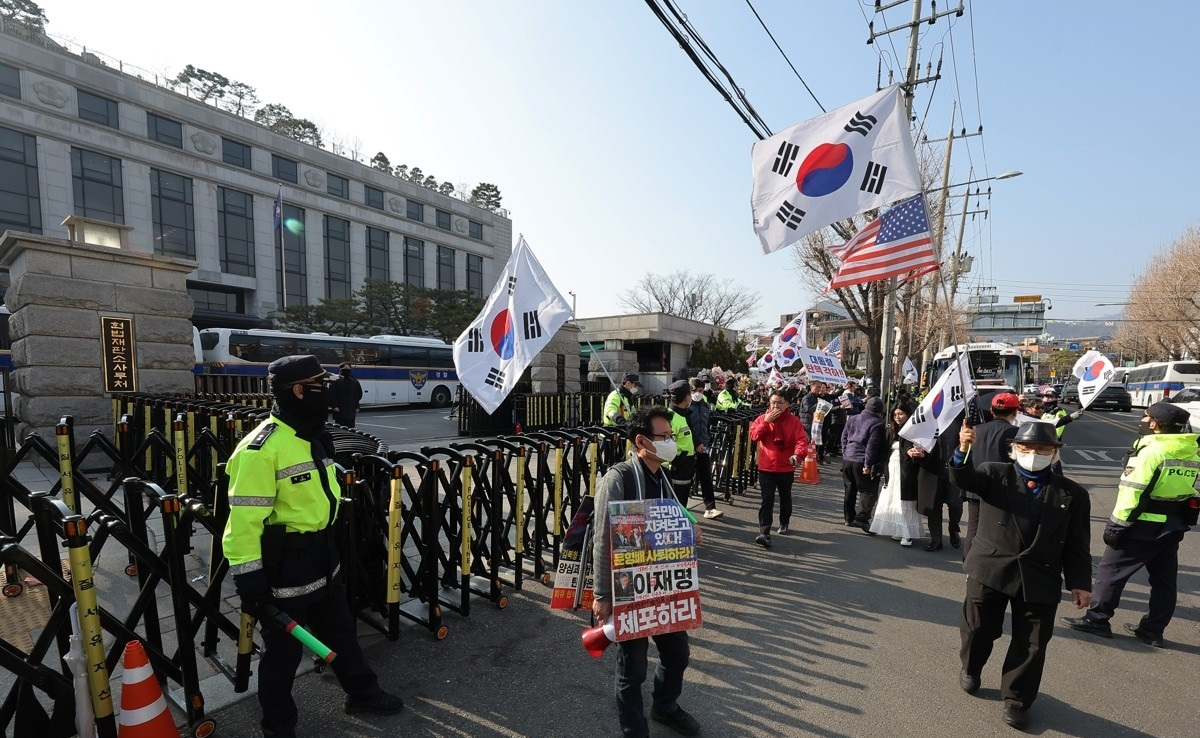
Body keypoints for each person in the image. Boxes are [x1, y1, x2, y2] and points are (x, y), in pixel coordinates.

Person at [223, 355, 403, 738]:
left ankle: (362, 692)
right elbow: (241, 524)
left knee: (340, 632)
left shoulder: (311, 435)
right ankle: (278, 726)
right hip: (286, 564)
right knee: (283, 655)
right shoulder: (260, 449)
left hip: (324, 556)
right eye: (322, 384)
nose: (330, 390)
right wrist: (249, 580)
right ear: (299, 391)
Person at [950, 420, 1092, 731]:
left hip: (1041, 575)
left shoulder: (1073, 494)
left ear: (1054, 453)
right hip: (991, 567)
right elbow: (963, 476)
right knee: (978, 629)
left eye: (1042, 449)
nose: (1033, 454)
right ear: (1014, 450)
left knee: (1032, 643)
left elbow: (1078, 543)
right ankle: (971, 666)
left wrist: (1080, 583)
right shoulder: (994, 474)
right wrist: (963, 449)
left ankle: (1017, 700)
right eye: (1025, 448)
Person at [592, 406, 702, 738]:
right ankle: (634, 730)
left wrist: (689, 527)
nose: (671, 442)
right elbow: (603, 538)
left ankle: (665, 706)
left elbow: (672, 517)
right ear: (642, 440)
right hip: (629, 590)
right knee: (633, 669)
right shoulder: (620, 477)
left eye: (671, 436)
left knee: (677, 653)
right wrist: (602, 597)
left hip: (664, 588)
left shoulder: (662, 475)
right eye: (664, 437)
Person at [1062, 401, 1200, 647]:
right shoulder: (1190, 451)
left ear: (1155, 424)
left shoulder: (1151, 452)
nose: (1143, 420)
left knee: (1110, 573)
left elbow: (1133, 492)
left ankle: (1097, 620)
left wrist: (1117, 526)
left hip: (1140, 525)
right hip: (1172, 525)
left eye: (1146, 417)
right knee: (1164, 581)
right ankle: (1153, 630)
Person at [961, 393, 1021, 558]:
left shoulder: (975, 430)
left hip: (975, 487)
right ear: (1015, 412)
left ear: (992, 410)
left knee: (973, 528)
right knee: (997, 530)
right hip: (1000, 490)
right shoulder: (1017, 433)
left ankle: (969, 562)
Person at [748, 390, 809, 548]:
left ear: (787, 404)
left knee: (785, 497)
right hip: (766, 467)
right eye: (773, 402)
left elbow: (801, 440)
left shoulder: (794, 421)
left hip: (785, 467)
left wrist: (797, 455)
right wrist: (766, 422)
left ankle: (784, 521)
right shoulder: (762, 419)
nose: (776, 406)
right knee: (766, 500)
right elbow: (754, 436)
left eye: (780, 403)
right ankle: (764, 531)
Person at [868, 402, 925, 546]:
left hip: (906, 470)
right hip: (891, 468)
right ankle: (897, 530)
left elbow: (916, 448)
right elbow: (884, 450)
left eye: (901, 414)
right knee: (892, 499)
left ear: (908, 414)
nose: (897, 417)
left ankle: (907, 534)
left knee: (903, 501)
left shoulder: (914, 430)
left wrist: (911, 452)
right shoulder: (891, 430)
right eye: (895, 414)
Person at [917, 410, 964, 552]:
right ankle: (936, 540)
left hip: (954, 470)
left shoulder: (959, 420)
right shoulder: (926, 424)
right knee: (934, 507)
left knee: (955, 504)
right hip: (932, 471)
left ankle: (954, 528)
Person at [842, 396, 887, 530]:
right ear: (880, 411)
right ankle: (861, 517)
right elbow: (871, 447)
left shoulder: (853, 418)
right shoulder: (877, 424)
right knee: (869, 491)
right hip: (861, 460)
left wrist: (845, 453)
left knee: (850, 490)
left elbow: (844, 437)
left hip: (848, 458)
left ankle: (848, 518)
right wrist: (868, 465)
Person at [688, 377, 723, 520]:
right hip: (689, 447)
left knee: (706, 477)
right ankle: (679, 511)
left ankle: (710, 508)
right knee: (686, 479)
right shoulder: (686, 405)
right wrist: (696, 443)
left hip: (703, 446)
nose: (698, 393)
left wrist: (705, 442)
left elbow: (706, 424)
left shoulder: (705, 405)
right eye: (695, 390)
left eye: (701, 390)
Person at [664, 380, 696, 506]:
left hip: (686, 465)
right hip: (676, 467)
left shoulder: (683, 414)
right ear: (686, 397)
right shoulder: (671, 417)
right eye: (690, 393)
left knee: (682, 503)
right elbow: (665, 446)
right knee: (675, 505)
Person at [329, 362, 363, 427]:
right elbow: (331, 394)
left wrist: (357, 406)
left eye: (348, 368)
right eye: (345, 368)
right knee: (340, 429)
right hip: (339, 410)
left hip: (351, 410)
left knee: (351, 428)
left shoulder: (354, 382)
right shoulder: (335, 380)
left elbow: (358, 394)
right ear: (340, 369)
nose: (347, 370)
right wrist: (334, 406)